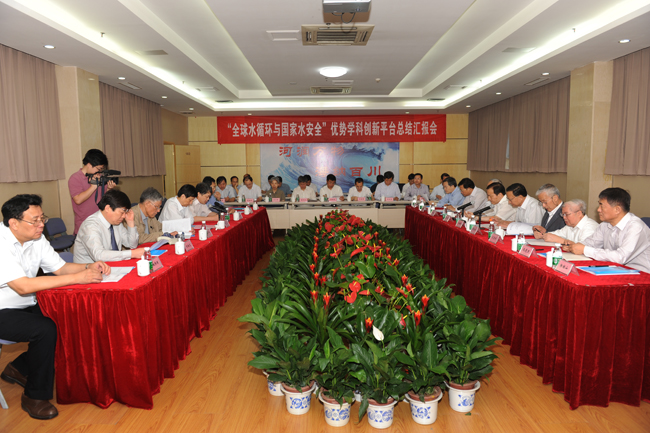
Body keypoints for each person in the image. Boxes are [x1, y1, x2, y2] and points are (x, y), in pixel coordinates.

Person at [0, 195, 109, 420]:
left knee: (67, 317)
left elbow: (59, 268)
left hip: (26, 303)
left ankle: (19, 367)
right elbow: (22, 286)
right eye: (35, 220)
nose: (41, 224)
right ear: (13, 223)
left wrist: (88, 266)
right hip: (3, 308)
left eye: (43, 218)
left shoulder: (36, 238)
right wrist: (78, 278)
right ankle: (34, 396)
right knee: (45, 329)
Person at [566, 188, 650, 272]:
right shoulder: (605, 224)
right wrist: (574, 246)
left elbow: (620, 257)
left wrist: (584, 249)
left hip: (641, 273)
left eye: (602, 206)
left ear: (617, 209)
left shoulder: (635, 227)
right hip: (615, 269)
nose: (598, 210)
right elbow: (591, 243)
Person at [73, 190, 143, 263]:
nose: (124, 216)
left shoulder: (116, 223)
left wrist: (131, 222)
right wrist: (131, 254)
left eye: (125, 213)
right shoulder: (90, 226)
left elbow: (132, 245)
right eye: (122, 212)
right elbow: (99, 255)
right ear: (107, 208)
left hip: (112, 266)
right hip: (89, 268)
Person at [68, 149, 115, 235]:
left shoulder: (99, 177)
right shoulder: (75, 178)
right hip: (84, 224)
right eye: (98, 168)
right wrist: (93, 187)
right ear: (89, 164)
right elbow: (78, 200)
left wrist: (109, 188)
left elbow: (104, 199)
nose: (99, 171)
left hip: (100, 222)